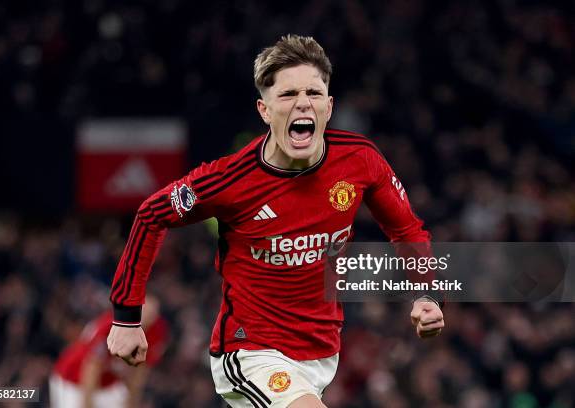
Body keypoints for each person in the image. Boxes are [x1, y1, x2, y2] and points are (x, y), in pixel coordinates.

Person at [107, 34, 444, 408]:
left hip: (320, 353)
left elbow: (406, 229)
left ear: (329, 107)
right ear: (265, 111)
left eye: (314, 93)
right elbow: (151, 214)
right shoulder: (231, 180)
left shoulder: (360, 161)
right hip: (249, 352)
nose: (303, 103)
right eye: (287, 95)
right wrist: (126, 317)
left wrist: (426, 291)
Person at [52, 295, 168, 408]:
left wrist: (132, 402)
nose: (145, 317)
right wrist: (87, 404)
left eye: (151, 313)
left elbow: (141, 371)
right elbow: (92, 368)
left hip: (109, 383)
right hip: (73, 380)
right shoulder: (110, 327)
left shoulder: (156, 330)